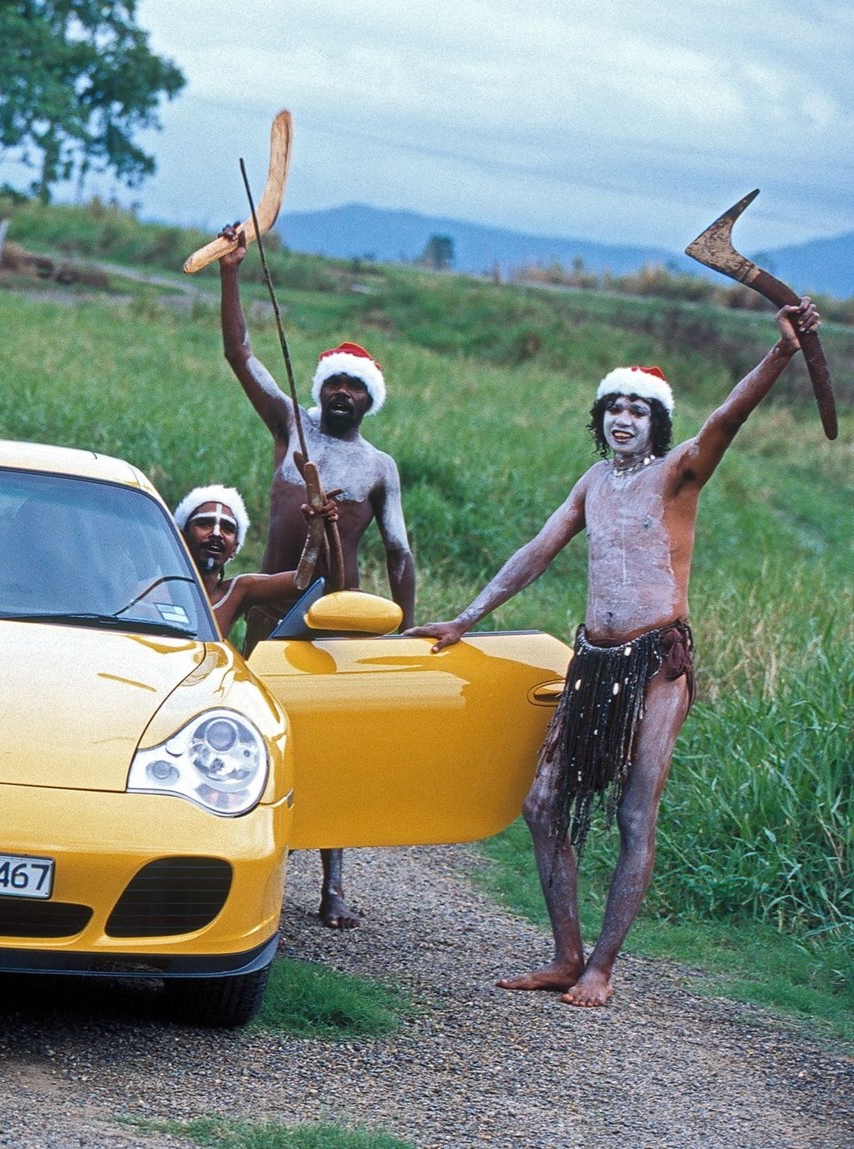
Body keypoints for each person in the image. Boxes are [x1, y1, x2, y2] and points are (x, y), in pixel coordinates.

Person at [404, 299, 820, 1007]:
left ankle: (602, 965)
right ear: (599, 418)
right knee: (541, 802)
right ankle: (565, 955)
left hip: (654, 664)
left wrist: (779, 353)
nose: (622, 419)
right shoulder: (593, 483)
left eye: (637, 409)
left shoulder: (679, 473)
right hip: (593, 663)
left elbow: (723, 421)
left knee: (633, 815)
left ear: (656, 421)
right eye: (612, 408)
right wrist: (465, 618)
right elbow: (536, 551)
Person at [218, 224, 416, 928]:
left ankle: (332, 884)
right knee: (239, 732)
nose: (339, 393)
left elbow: (398, 553)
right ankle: (239, 869)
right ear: (319, 388)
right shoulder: (289, 428)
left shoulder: (377, 468)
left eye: (352, 387)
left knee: (327, 747)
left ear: (368, 399)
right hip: (268, 607)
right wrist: (231, 274)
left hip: (335, 618)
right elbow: (240, 353)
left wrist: (405, 628)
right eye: (331, 381)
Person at [173, 485, 325, 635]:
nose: (217, 533)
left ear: (234, 548)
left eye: (227, 528)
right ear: (182, 537)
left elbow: (309, 578)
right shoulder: (156, 589)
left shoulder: (237, 591)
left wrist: (320, 529)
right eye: (205, 524)